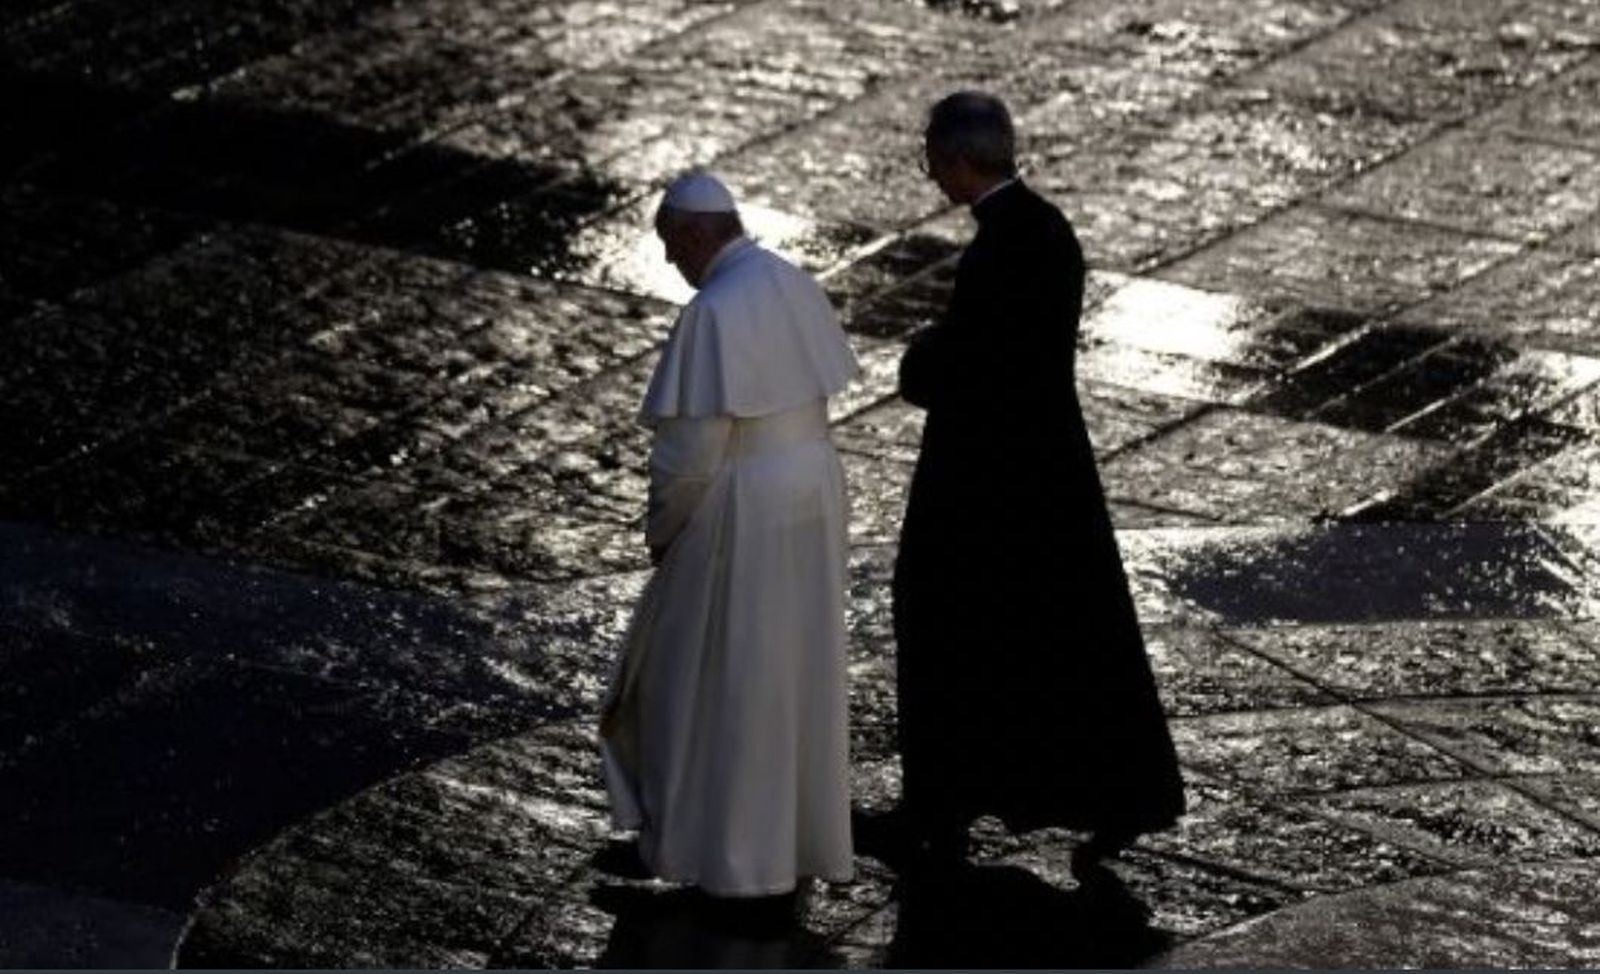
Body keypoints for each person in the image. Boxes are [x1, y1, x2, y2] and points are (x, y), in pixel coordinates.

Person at [889, 92, 1185, 869]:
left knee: (950, 622)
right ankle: (1105, 795)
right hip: (1045, 471)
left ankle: (942, 799)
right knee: (1063, 638)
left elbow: (973, 362)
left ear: (957, 160)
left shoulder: (997, 249)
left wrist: (920, 361)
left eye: (932, 159)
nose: (931, 174)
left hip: (987, 478)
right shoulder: (1047, 231)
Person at [599, 170, 860, 899]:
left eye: (668, 245)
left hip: (742, 501)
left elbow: (688, 455)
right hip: (812, 485)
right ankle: (793, 846)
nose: (668, 262)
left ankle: (715, 853)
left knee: (701, 677)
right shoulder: (791, 281)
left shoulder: (712, 311)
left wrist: (665, 530)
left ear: (691, 233)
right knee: (792, 672)